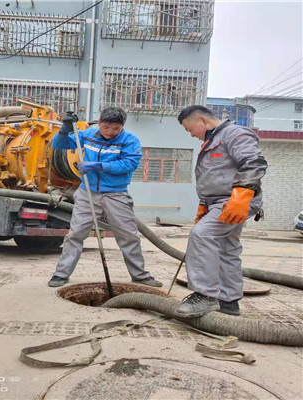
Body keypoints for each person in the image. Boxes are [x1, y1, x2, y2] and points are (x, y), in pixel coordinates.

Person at [48, 107, 162, 288]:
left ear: (122, 127)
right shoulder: (88, 134)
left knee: (128, 236)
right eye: (106, 127)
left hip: (116, 194)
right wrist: (64, 129)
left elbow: (129, 164)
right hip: (87, 193)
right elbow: (59, 145)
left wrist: (98, 166)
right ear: (99, 122)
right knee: (75, 234)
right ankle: (61, 274)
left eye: (115, 129)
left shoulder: (129, 140)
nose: (110, 132)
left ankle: (140, 275)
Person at [174, 105, 268, 318]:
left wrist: (242, 195)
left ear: (203, 120)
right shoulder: (214, 139)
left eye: (191, 129)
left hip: (234, 202)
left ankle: (205, 296)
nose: (191, 135)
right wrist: (204, 203)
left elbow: (253, 163)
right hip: (219, 203)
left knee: (202, 235)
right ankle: (229, 302)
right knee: (227, 248)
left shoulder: (235, 134)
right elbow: (216, 175)